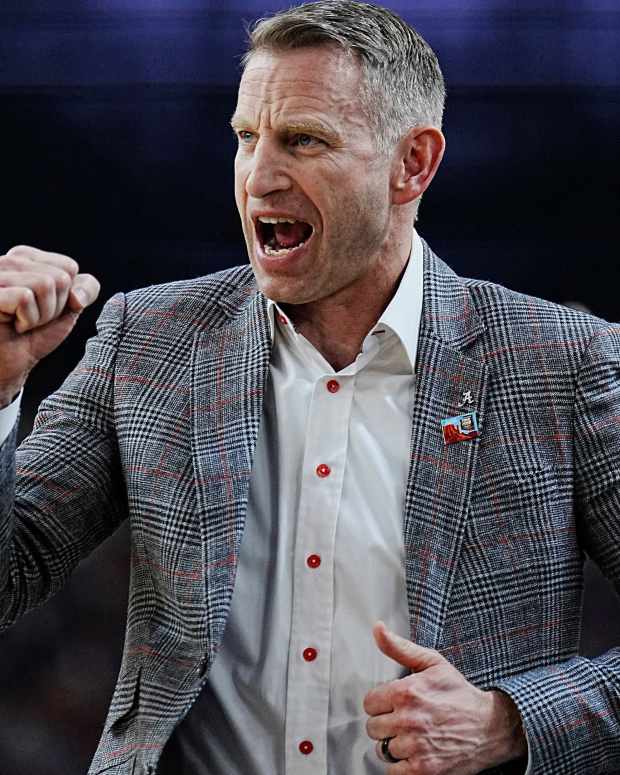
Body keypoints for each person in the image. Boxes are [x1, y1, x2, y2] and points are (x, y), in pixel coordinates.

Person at [0, 2, 619, 773]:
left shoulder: (560, 363)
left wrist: (511, 721)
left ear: (413, 163)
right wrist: (0, 392)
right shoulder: (148, 339)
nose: (259, 175)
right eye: (246, 138)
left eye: (303, 140)